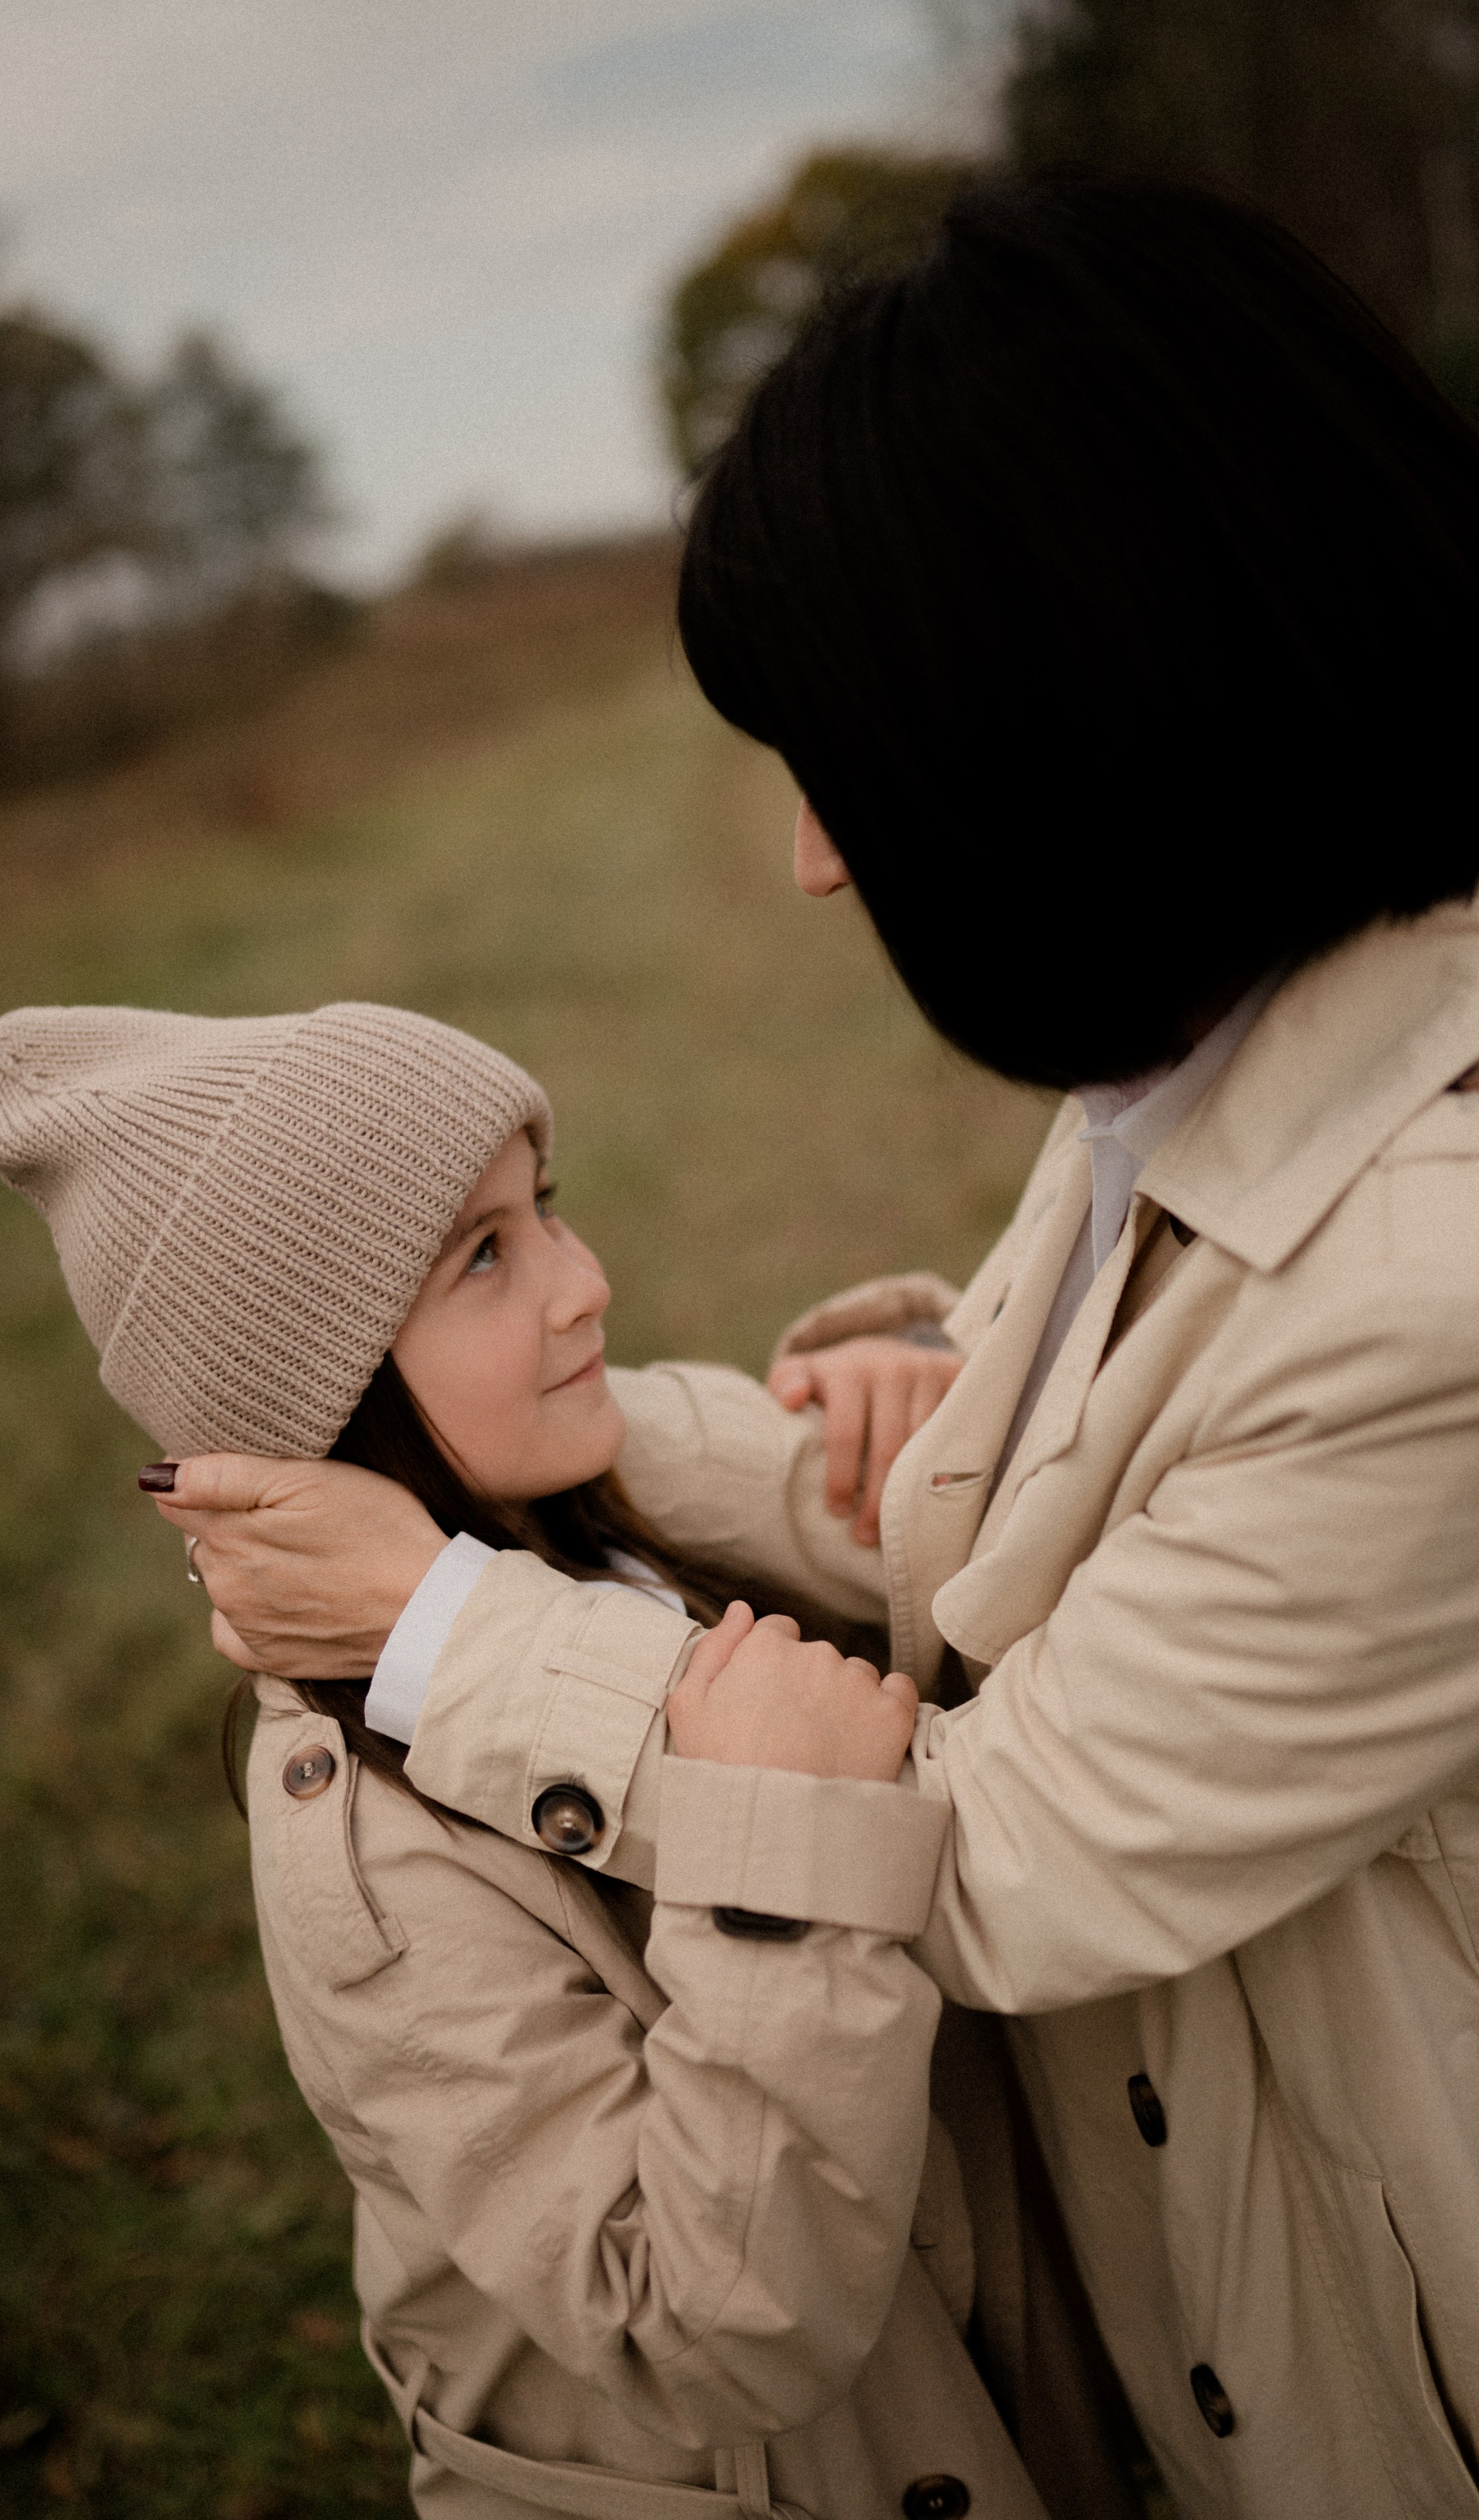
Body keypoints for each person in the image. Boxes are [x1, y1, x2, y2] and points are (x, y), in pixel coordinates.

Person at [159, 178, 1479, 2520]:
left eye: (845, 761)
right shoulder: (1219, 1039)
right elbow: (1120, 1406)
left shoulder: (1446, 1265)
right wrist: (895, 1389)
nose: (813, 861)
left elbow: (1014, 1839)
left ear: (1077, 711)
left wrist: (459, 1612)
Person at [0, 998, 1112, 2520]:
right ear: (322, 1403)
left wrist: (895, 1368)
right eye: (483, 1257)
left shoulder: (594, 1516)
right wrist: (770, 1856)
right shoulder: (366, 1852)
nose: (585, 1283)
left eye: (542, 1210)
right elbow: (687, 2318)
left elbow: (854, 1495)